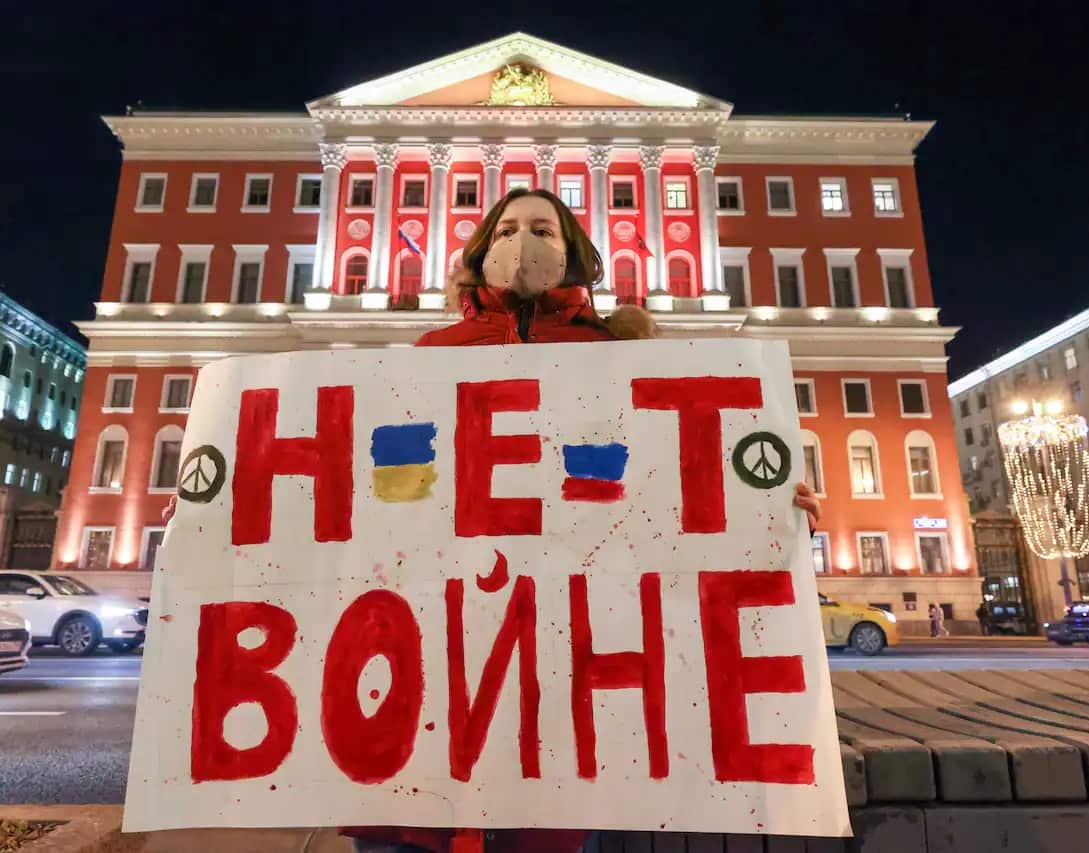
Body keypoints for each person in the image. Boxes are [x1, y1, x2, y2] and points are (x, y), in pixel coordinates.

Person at [342, 188, 823, 853]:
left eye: (544, 227)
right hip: (438, 664)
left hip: (568, 675)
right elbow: (378, 498)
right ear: (480, 254)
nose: (523, 242)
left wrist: (764, 507)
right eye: (507, 229)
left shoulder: (616, 354)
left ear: (574, 253)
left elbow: (669, 487)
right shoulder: (431, 352)